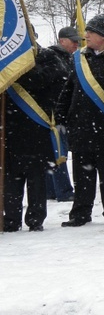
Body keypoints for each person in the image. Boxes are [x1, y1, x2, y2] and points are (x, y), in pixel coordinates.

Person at [56, 15, 104, 227]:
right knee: (82, 173)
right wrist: (61, 115)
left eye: (91, 32)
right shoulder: (79, 58)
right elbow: (68, 89)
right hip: (80, 124)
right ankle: (80, 213)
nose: (85, 35)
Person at [3, 43, 68, 232]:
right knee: (11, 178)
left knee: (36, 178)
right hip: (9, 129)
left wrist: (16, 68)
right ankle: (11, 219)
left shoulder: (47, 57)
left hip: (36, 128)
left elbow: (43, 80)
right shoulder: (4, 60)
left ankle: (35, 219)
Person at [45, 26, 79, 202]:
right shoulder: (53, 58)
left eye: (77, 41)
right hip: (54, 114)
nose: (76, 44)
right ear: (61, 41)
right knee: (59, 152)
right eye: (72, 41)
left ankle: (51, 190)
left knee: (54, 153)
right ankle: (63, 191)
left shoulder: (69, 58)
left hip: (60, 112)